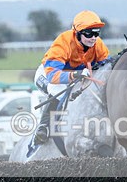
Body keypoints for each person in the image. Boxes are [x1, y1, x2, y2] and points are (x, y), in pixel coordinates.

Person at [33, 10, 111, 144]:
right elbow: (52, 75)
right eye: (89, 33)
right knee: (58, 89)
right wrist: (74, 75)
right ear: (77, 32)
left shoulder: (98, 44)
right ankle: (43, 127)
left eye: (96, 33)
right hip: (47, 75)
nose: (93, 38)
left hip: (77, 77)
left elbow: (107, 67)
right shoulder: (63, 42)